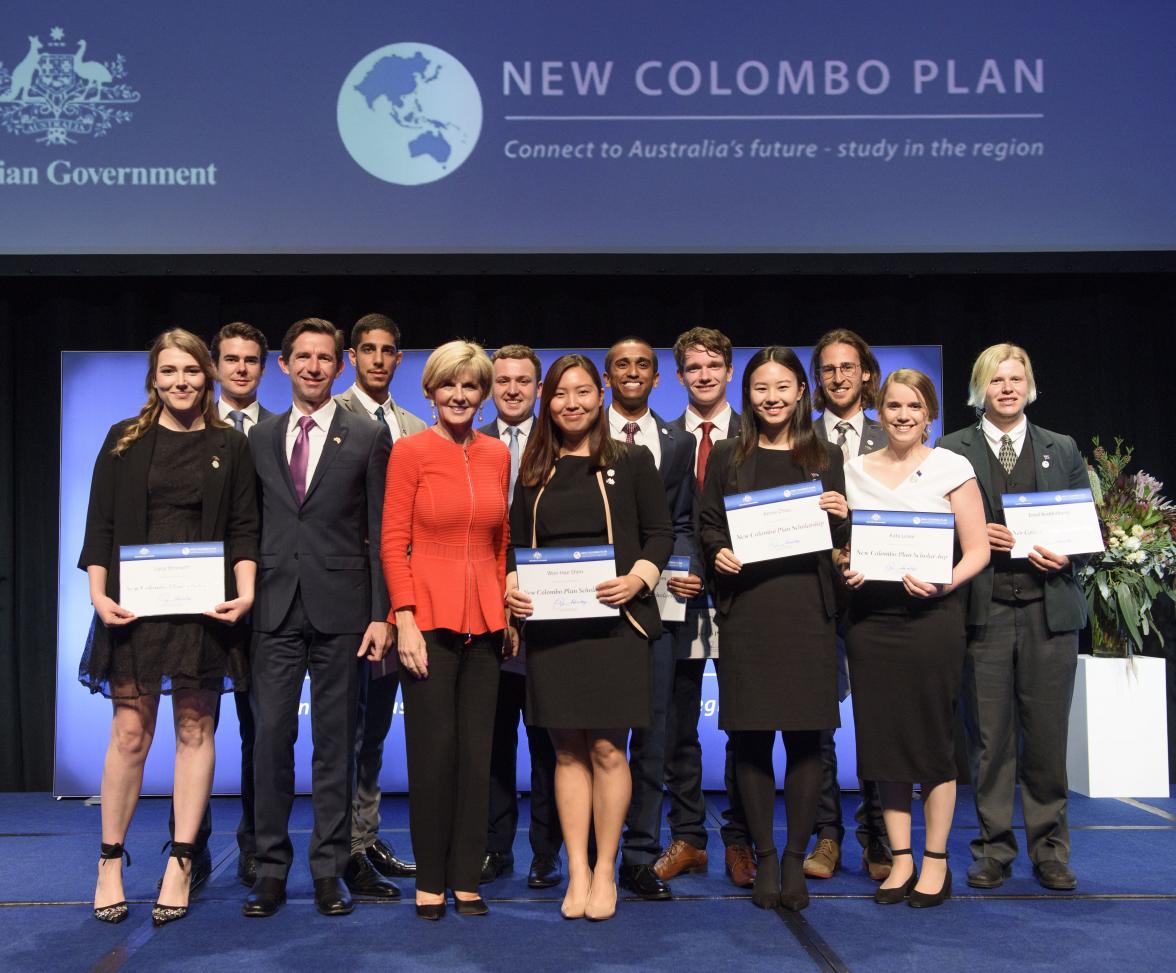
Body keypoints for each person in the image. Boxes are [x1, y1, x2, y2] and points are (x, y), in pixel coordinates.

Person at [79, 328, 258, 926]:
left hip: (203, 608)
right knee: (131, 733)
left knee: (194, 727)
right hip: (135, 605)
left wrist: (248, 589)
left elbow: (242, 526)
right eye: (169, 371)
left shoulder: (229, 444)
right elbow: (100, 523)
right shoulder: (123, 440)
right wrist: (98, 596)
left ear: (208, 376)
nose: (181, 381)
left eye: (192, 371)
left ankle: (181, 860)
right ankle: (110, 860)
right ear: (154, 378)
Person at [506, 354, 673, 921]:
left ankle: (607, 870)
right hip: (553, 630)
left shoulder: (631, 460)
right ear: (546, 402)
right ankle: (574, 870)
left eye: (581, 392)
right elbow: (513, 546)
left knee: (607, 749)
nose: (571, 403)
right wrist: (512, 585)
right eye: (559, 394)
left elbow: (659, 533)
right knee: (566, 753)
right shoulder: (535, 469)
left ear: (599, 396)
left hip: (614, 629)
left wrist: (638, 579)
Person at [245, 318, 392, 919]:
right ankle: (270, 871)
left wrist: (382, 614)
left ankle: (329, 872)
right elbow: (245, 526)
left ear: (340, 365)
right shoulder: (259, 437)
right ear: (284, 365)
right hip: (274, 611)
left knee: (336, 747)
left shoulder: (366, 435)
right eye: (301, 356)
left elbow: (382, 533)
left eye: (323, 357)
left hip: (344, 613)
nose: (312, 366)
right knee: (271, 740)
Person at [698, 346, 849, 912]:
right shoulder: (727, 458)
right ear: (749, 394)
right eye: (762, 388)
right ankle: (763, 854)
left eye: (783, 386)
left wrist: (841, 514)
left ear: (801, 391)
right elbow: (709, 522)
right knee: (752, 737)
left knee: (808, 740)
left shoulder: (825, 456)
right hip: (749, 612)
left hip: (808, 611)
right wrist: (718, 553)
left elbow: (844, 539)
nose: (772, 397)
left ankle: (794, 859)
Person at [938, 344, 1088, 892]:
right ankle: (993, 849)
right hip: (985, 611)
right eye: (995, 380)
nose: (1007, 388)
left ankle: (1050, 850)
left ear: (1029, 385)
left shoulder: (1061, 447)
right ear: (980, 388)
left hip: (1051, 610)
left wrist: (1069, 552)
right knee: (989, 741)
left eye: (1015, 378)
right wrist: (973, 535)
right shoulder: (952, 450)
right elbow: (934, 526)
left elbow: (1084, 527)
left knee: (1047, 739)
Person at [840, 368, 989, 909]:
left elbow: (978, 549)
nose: (902, 415)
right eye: (893, 406)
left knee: (931, 741)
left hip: (932, 618)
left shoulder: (953, 466)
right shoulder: (854, 471)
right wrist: (847, 568)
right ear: (879, 412)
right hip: (871, 621)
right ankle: (900, 859)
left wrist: (944, 581)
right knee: (884, 742)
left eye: (914, 407)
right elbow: (847, 545)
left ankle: (936, 862)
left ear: (930, 415)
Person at [382, 339, 511, 920]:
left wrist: (506, 605)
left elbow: (500, 539)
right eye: (449, 385)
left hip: (486, 622)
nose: (460, 395)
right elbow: (392, 542)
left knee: (475, 755)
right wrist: (403, 617)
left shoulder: (496, 455)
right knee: (433, 755)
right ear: (430, 391)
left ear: (483, 394)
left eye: (471, 385)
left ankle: (466, 877)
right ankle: (430, 879)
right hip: (426, 621)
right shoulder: (409, 452)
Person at [604, 336, 698, 902]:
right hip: (596, 603)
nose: (632, 373)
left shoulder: (678, 441)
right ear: (607, 375)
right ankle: (594, 854)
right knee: (602, 738)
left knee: (655, 734)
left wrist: (686, 571)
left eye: (642, 365)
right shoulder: (580, 433)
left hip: (658, 606)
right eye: (622, 365)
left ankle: (639, 856)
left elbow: (681, 521)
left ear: (657, 378)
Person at [664, 326, 756, 890]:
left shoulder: (757, 432)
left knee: (746, 721)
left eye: (713, 365)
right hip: (681, 596)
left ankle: (741, 838)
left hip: (746, 596)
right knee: (677, 723)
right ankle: (690, 837)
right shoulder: (665, 437)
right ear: (680, 376)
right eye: (693, 367)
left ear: (729, 371)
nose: (704, 375)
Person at [334, 313, 423, 899]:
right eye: (367, 349)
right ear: (350, 357)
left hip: (399, 600)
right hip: (344, 599)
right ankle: (340, 847)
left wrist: (400, 608)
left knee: (373, 734)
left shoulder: (416, 426)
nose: (377, 359)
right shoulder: (328, 419)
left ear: (398, 359)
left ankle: (364, 840)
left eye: (388, 351)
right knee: (342, 731)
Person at [805, 328, 892, 883]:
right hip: (817, 600)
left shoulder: (896, 432)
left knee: (882, 721)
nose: (838, 377)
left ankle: (879, 831)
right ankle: (828, 834)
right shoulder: (796, 436)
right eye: (828, 369)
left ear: (866, 373)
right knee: (819, 724)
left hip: (884, 598)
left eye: (848, 367)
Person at [478, 345, 564, 890]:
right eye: (502, 380)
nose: (512, 388)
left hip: (551, 607)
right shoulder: (472, 440)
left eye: (523, 380)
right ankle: (494, 847)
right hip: (483, 609)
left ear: (538, 388)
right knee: (493, 738)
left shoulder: (562, 441)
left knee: (548, 739)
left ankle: (546, 850)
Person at [207, 320, 274, 888]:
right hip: (195, 597)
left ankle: (253, 844)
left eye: (251, 359)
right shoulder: (185, 428)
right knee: (193, 725)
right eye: (231, 359)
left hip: (263, 600)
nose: (241, 368)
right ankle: (193, 844)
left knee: (260, 730)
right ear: (214, 365)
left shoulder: (281, 430)